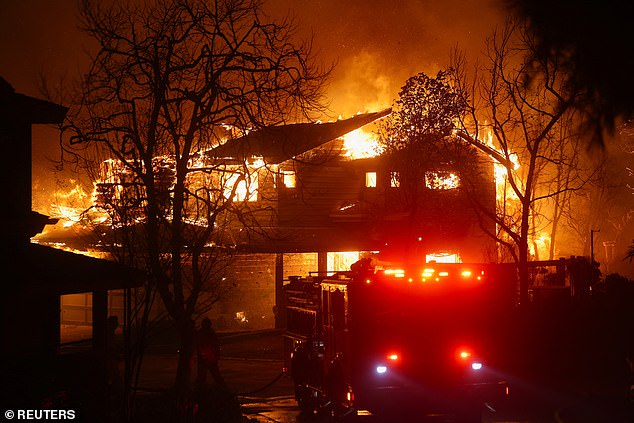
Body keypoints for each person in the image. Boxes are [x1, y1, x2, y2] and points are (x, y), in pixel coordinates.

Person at [195, 317, 225, 387]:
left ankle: (201, 389)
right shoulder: (209, 333)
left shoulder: (202, 333)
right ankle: (220, 388)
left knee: (204, 375)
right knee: (213, 374)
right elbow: (215, 345)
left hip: (207, 357)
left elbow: (199, 345)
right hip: (209, 357)